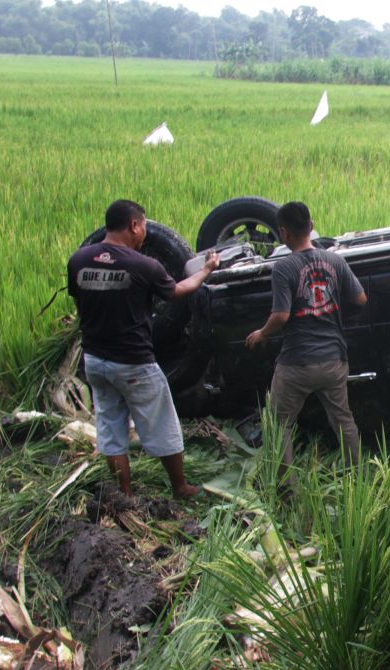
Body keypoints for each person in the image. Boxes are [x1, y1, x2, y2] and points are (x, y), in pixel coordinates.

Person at [67, 199, 220, 498]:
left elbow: (79, 304)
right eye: (144, 227)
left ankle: (125, 493)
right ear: (134, 225)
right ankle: (180, 487)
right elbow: (178, 292)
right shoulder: (143, 265)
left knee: (111, 430)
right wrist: (207, 270)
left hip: (95, 360)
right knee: (162, 423)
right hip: (133, 362)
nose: (145, 235)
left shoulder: (79, 260)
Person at [245, 201, 366, 480]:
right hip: (334, 360)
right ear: (311, 226)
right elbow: (360, 299)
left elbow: (281, 315)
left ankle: (287, 491)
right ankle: (357, 476)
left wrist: (262, 333)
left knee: (280, 425)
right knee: (343, 420)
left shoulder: (284, 268)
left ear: (284, 233)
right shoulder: (335, 260)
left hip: (297, 363)